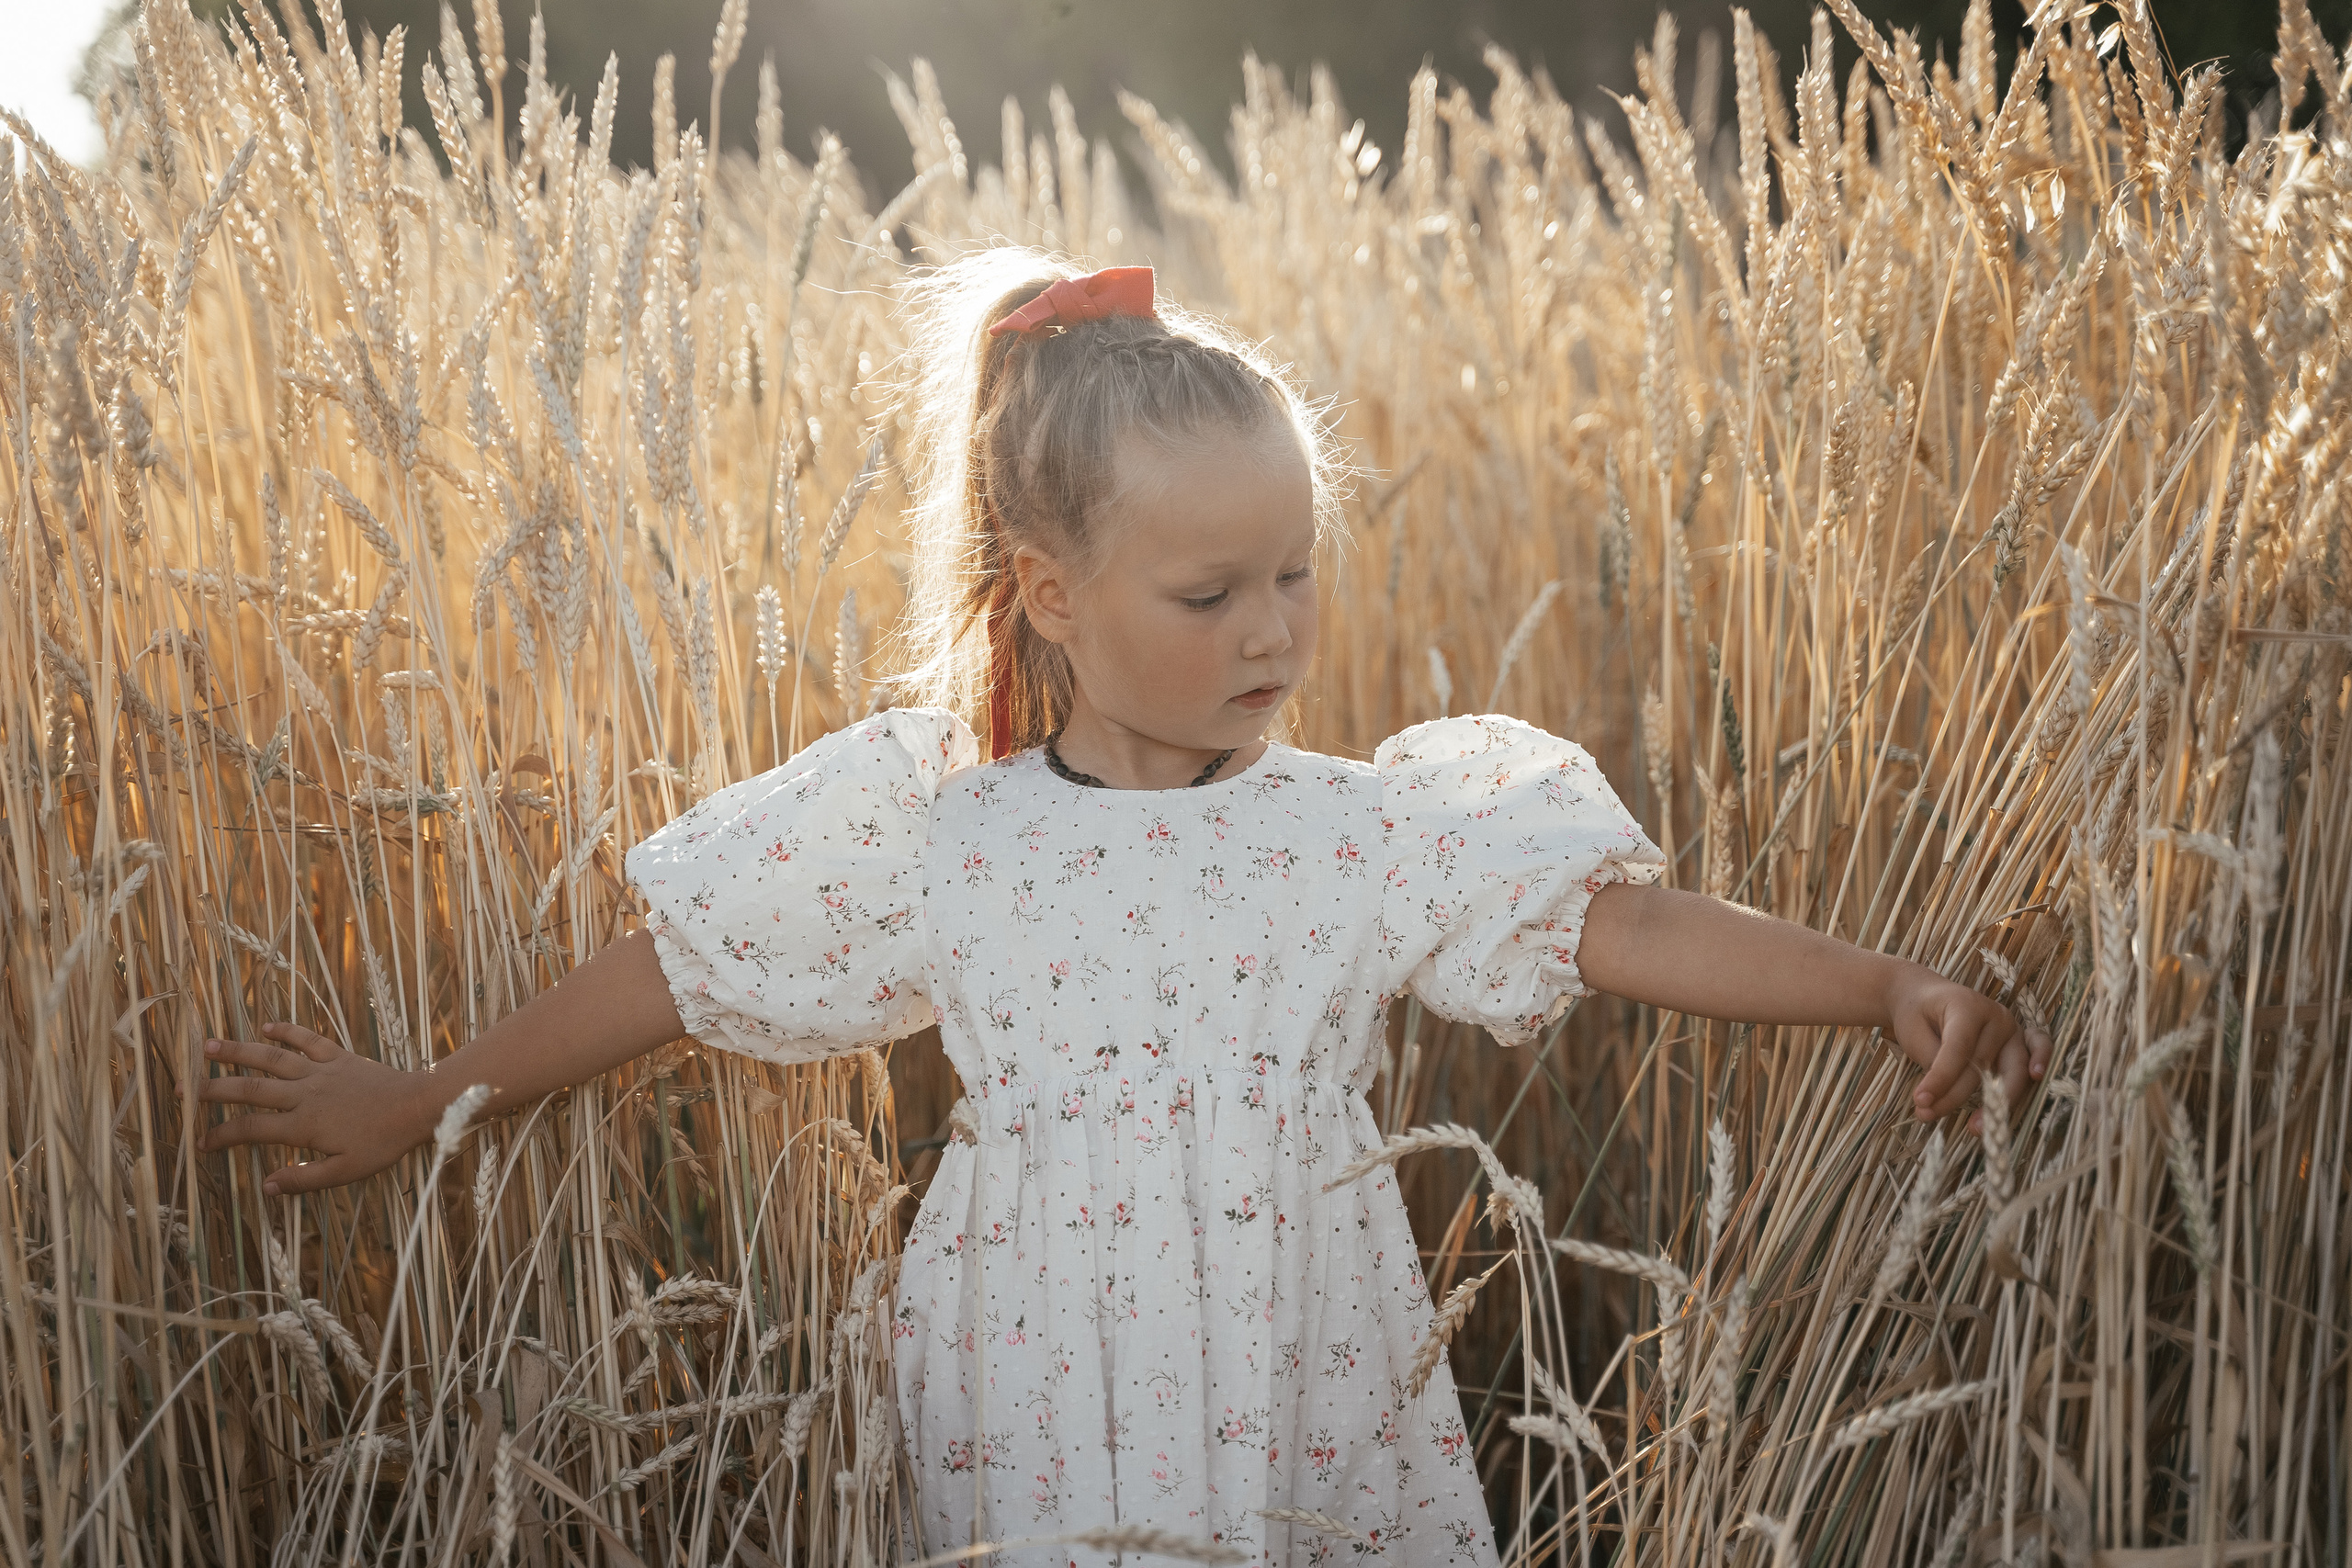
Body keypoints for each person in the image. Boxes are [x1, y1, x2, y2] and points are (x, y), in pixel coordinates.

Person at [194, 251, 2047, 1564]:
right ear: (1052, 595)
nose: (1270, 630)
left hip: (1300, 1344)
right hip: (1033, 1368)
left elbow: (1621, 926)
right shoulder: (945, 831)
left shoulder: (1357, 827)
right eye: (1209, 590)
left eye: (1296, 578)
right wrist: (417, 1092)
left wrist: (1878, 981)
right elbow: (676, 968)